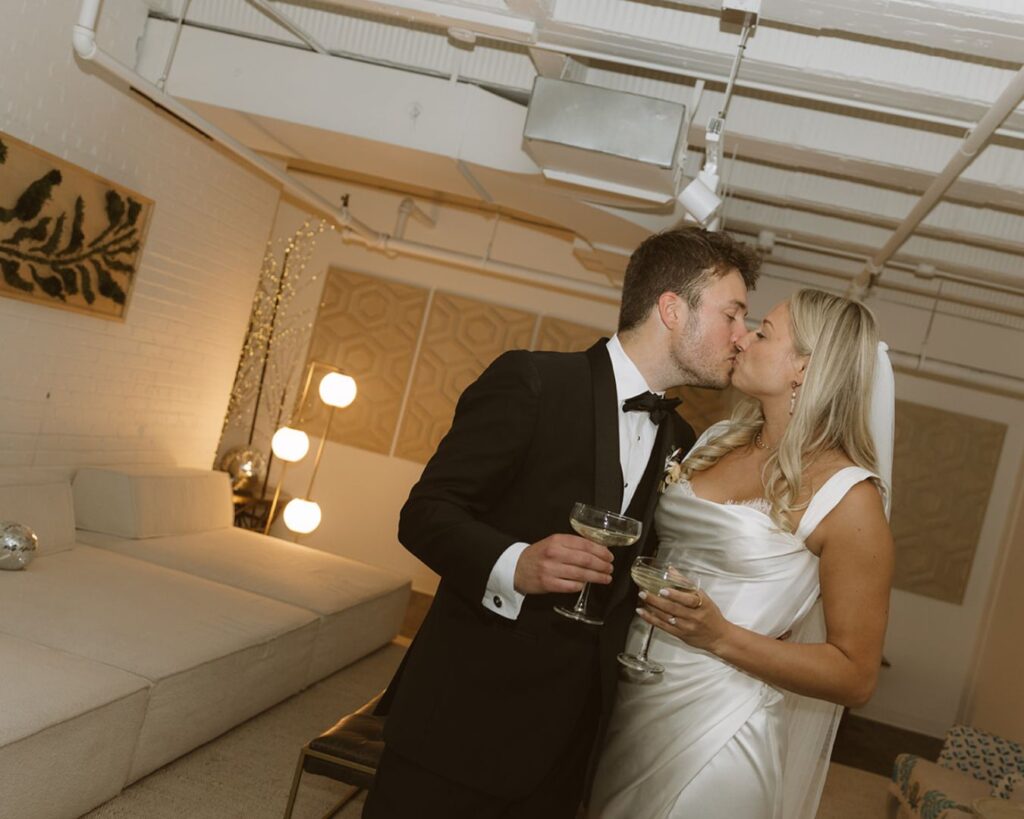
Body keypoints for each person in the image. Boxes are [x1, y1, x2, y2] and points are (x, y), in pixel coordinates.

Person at [361, 227, 762, 819]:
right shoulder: (534, 381)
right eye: (732, 315)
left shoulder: (680, 440)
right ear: (673, 310)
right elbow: (425, 513)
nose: (742, 336)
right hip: (463, 718)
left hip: (570, 745)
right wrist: (515, 564)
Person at [589, 288, 895, 819]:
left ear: (803, 368)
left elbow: (856, 675)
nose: (742, 337)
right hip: (633, 697)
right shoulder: (722, 439)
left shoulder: (850, 499)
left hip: (720, 726)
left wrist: (721, 636)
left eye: (763, 332)